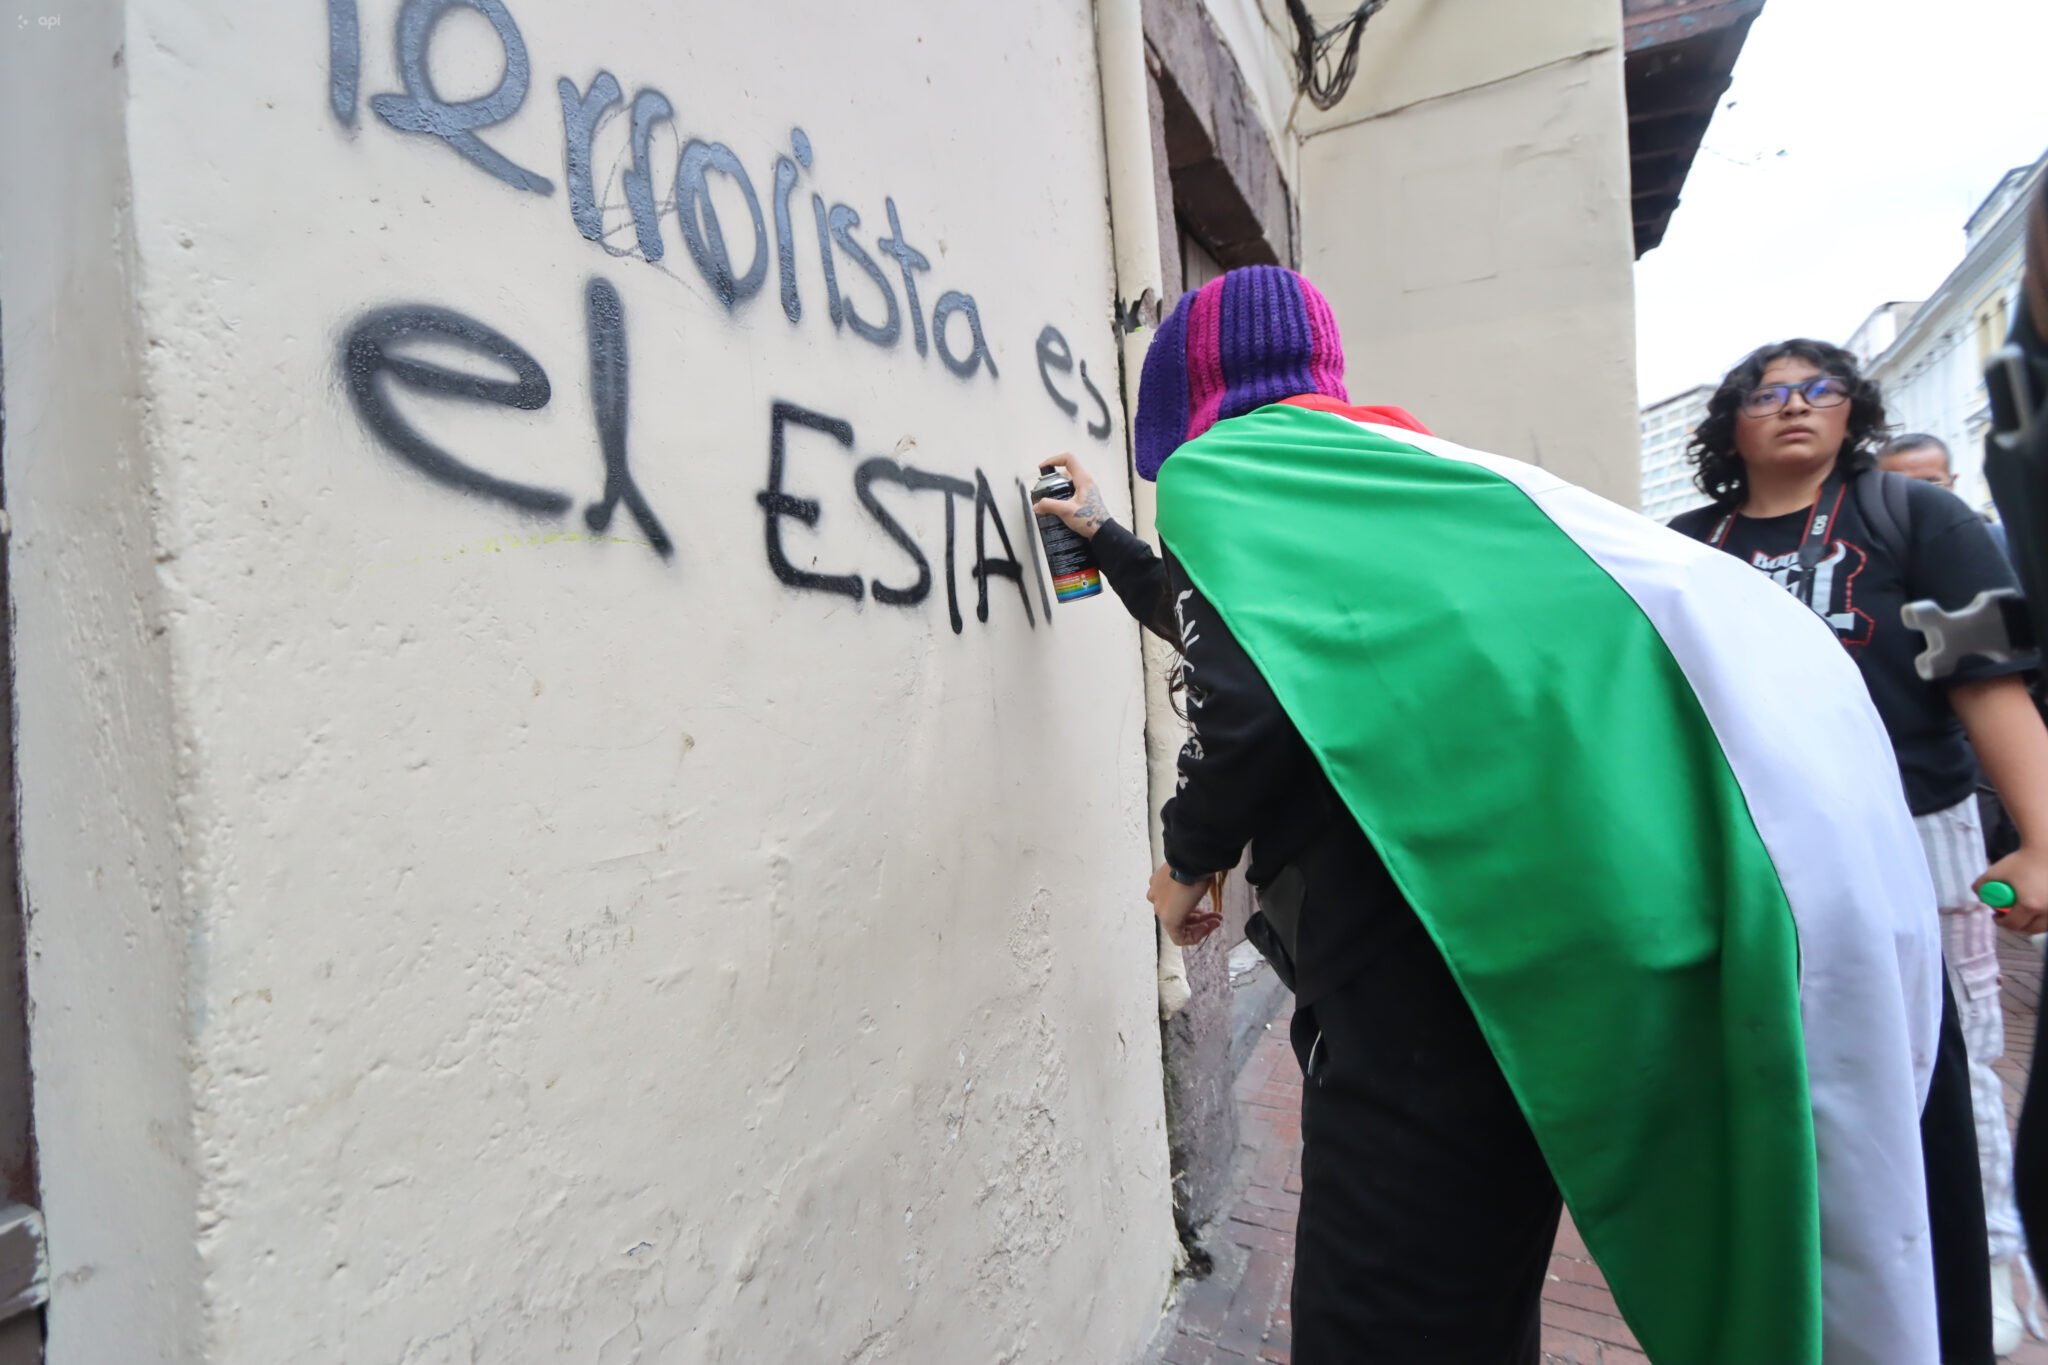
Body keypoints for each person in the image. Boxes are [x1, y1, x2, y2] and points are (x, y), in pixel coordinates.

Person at [1039, 267, 1942, 1365]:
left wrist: (1182, 865)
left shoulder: (1220, 469)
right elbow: (1253, 638)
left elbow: (1243, 706)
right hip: (1526, 950)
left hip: (1420, 964)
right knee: (1475, 1285)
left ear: (1182, 391)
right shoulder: (1382, 481)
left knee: (1379, 1314)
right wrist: (1106, 542)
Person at [1671, 339, 2048, 1361]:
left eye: (1817, 388)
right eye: (1767, 391)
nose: (1794, 406)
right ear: (1730, 419)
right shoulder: (1685, 546)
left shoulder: (1914, 519)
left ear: (1851, 409)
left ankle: (1973, 1282)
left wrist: (2041, 840)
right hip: (1750, 855)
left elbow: (1988, 685)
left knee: (1945, 1069)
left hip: (1910, 836)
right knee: (1779, 1072)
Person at [1881, 432, 2013, 560]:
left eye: (1931, 484)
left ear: (1951, 483)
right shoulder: (1871, 555)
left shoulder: (1999, 542)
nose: (1918, 495)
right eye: (1901, 486)